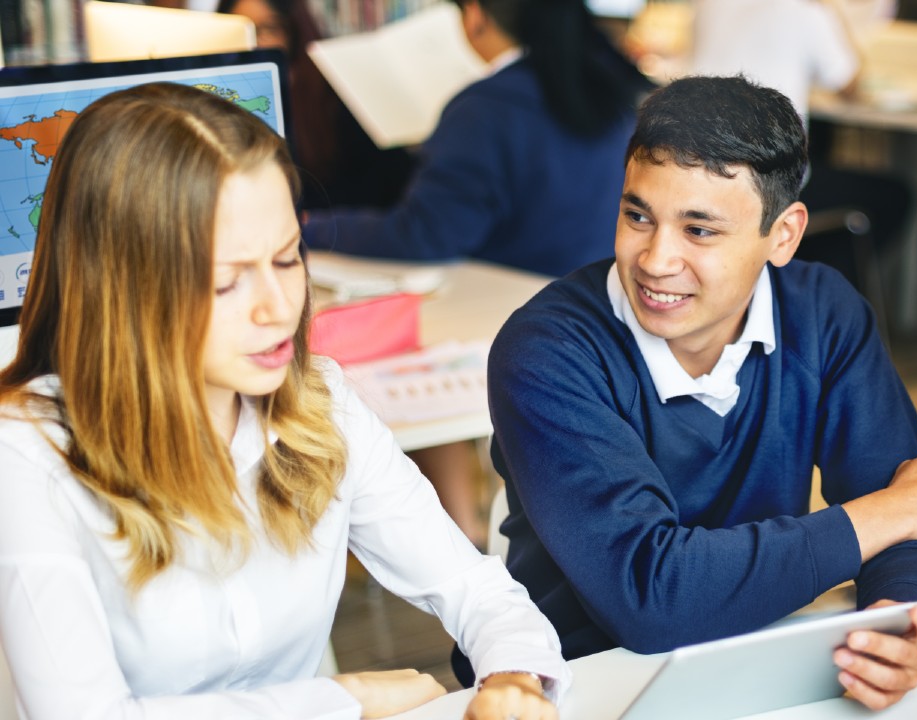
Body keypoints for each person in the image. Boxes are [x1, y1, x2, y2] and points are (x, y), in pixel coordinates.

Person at [0, 83, 568, 720]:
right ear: (123, 289)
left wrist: (515, 678)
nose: (278, 308)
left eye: (287, 258)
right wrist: (340, 700)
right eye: (226, 281)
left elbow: (471, 584)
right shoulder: (27, 452)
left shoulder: (319, 402)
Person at [465, 75, 917, 712]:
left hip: (758, 670)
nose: (655, 259)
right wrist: (887, 514)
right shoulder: (547, 351)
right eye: (637, 216)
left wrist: (902, 618)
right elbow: (651, 598)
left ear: (784, 235)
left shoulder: (822, 314)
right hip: (581, 688)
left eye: (699, 231)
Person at [302, 0, 651, 276]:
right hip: (593, 293)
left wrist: (310, 227)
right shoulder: (608, 91)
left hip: (509, 304)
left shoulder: (486, 106)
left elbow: (427, 234)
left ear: (476, 15)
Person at [688, 0, 913, 295]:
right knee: (897, 196)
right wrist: (832, 10)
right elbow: (851, 84)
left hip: (697, 177)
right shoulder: (809, 11)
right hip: (765, 189)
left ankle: (781, 282)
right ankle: (811, 294)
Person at [217, 0, 414, 210]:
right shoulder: (218, 99)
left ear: (293, 33)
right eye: (244, 30)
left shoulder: (335, 97)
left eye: (269, 29)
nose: (255, 42)